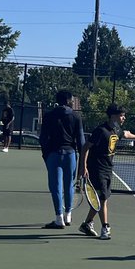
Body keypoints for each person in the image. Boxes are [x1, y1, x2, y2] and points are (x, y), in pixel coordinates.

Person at [79, 104, 135, 240]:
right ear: (113, 116)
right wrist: (83, 167)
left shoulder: (116, 129)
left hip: (108, 168)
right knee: (102, 198)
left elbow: (125, 134)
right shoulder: (101, 131)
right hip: (97, 169)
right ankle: (105, 227)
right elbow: (86, 147)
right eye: (121, 115)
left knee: (101, 198)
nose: (124, 118)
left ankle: (87, 224)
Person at [39, 90, 85, 229]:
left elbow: (43, 138)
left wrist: (46, 154)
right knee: (69, 185)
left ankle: (59, 218)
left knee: (56, 187)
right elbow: (81, 140)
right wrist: (83, 160)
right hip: (70, 155)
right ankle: (68, 215)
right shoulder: (76, 116)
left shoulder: (49, 116)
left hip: (53, 154)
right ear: (69, 100)